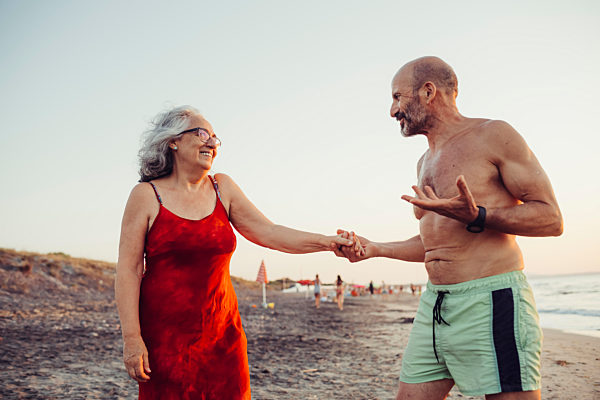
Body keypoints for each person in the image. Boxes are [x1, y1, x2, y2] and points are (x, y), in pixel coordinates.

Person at [334, 56, 563, 400]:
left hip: (492, 300)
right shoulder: (423, 161)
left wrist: (479, 216)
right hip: (436, 305)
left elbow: (550, 218)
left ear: (428, 92)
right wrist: (375, 248)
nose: (392, 111)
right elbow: (436, 244)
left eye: (397, 97)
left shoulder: (494, 135)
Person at [114, 105, 354, 399]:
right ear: (173, 141)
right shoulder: (147, 195)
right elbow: (128, 270)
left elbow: (270, 232)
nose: (211, 143)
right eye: (202, 133)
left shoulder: (221, 188)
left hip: (223, 336)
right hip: (165, 340)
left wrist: (327, 242)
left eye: (215, 138)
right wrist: (132, 338)